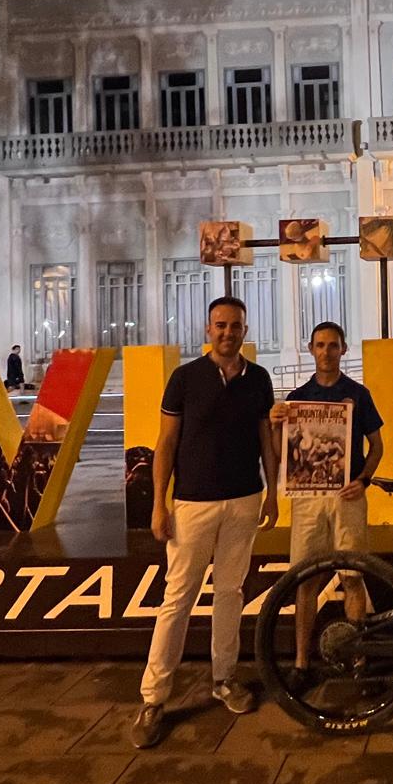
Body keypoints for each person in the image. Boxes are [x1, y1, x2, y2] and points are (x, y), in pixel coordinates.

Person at [131, 296, 278, 748]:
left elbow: (265, 438)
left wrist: (273, 492)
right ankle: (154, 698)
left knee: (231, 592)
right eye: (221, 325)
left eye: (235, 326)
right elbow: (166, 443)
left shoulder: (259, 379)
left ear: (245, 331)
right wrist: (159, 504)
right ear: (208, 328)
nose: (228, 332)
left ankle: (225, 679)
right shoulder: (185, 378)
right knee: (178, 597)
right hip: (193, 504)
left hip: (244, 500)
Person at [269, 321, 384, 691]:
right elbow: (280, 455)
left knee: (353, 576)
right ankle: (302, 663)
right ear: (310, 348)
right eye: (320, 345)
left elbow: (377, 446)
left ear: (344, 349)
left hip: (347, 497)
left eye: (333, 346)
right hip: (308, 500)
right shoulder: (298, 398)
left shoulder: (359, 394)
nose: (326, 352)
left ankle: (358, 662)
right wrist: (275, 426)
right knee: (306, 580)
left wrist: (363, 480)